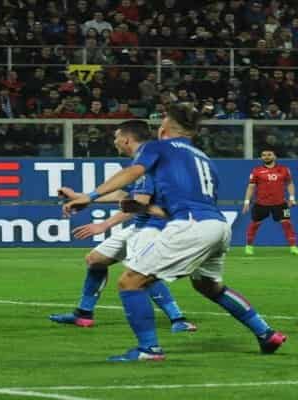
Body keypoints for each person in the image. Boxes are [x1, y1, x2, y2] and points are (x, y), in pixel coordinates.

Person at [63, 104, 287, 361]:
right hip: (218, 225)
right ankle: (266, 333)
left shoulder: (157, 147)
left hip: (192, 224)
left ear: (164, 128)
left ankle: (149, 349)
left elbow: (132, 172)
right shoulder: (203, 158)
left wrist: (88, 196)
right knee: (210, 287)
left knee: (130, 281)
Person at [51, 121, 196, 333]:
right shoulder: (140, 164)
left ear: (126, 139)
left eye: (116, 137)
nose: (115, 142)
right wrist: (82, 198)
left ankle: (178, 319)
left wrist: (105, 224)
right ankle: (84, 314)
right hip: (141, 225)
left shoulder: (148, 166)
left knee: (140, 271)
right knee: (95, 260)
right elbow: (122, 195)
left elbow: (138, 205)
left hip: (157, 226)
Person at [242, 149, 297, 255]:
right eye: (263, 155)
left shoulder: (284, 170)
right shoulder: (256, 171)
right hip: (261, 204)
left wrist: (291, 198)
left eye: (269, 155)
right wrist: (246, 202)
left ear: (274, 157)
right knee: (254, 225)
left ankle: (293, 247)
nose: (266, 157)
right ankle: (248, 246)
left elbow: (290, 183)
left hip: (280, 203)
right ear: (261, 158)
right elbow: (251, 186)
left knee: (287, 224)